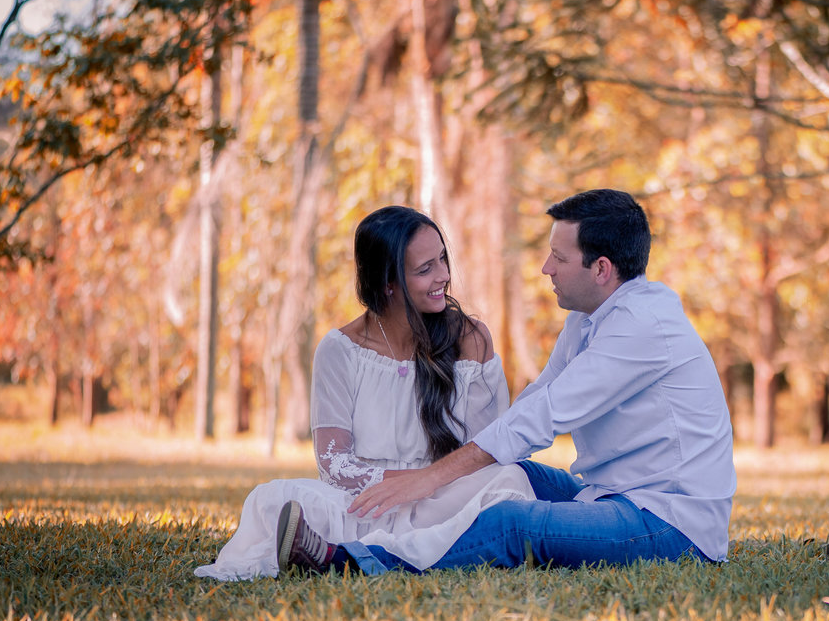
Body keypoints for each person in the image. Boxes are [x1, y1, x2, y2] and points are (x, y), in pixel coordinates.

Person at [285, 188, 735, 574]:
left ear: (601, 269)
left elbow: (545, 416)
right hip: (607, 496)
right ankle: (395, 533)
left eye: (559, 258)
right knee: (508, 473)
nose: (546, 268)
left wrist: (428, 478)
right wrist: (449, 476)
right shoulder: (588, 319)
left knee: (511, 523)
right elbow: (534, 400)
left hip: (668, 520)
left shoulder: (641, 325)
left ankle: (349, 560)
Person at [195, 205, 535, 580]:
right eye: (425, 268)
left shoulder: (470, 337)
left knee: (509, 481)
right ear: (388, 283)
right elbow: (334, 463)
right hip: (368, 504)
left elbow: (485, 449)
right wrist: (398, 487)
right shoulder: (339, 350)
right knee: (273, 498)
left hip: (447, 496)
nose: (444, 275)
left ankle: (345, 556)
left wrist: (424, 482)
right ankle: (396, 549)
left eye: (442, 259)